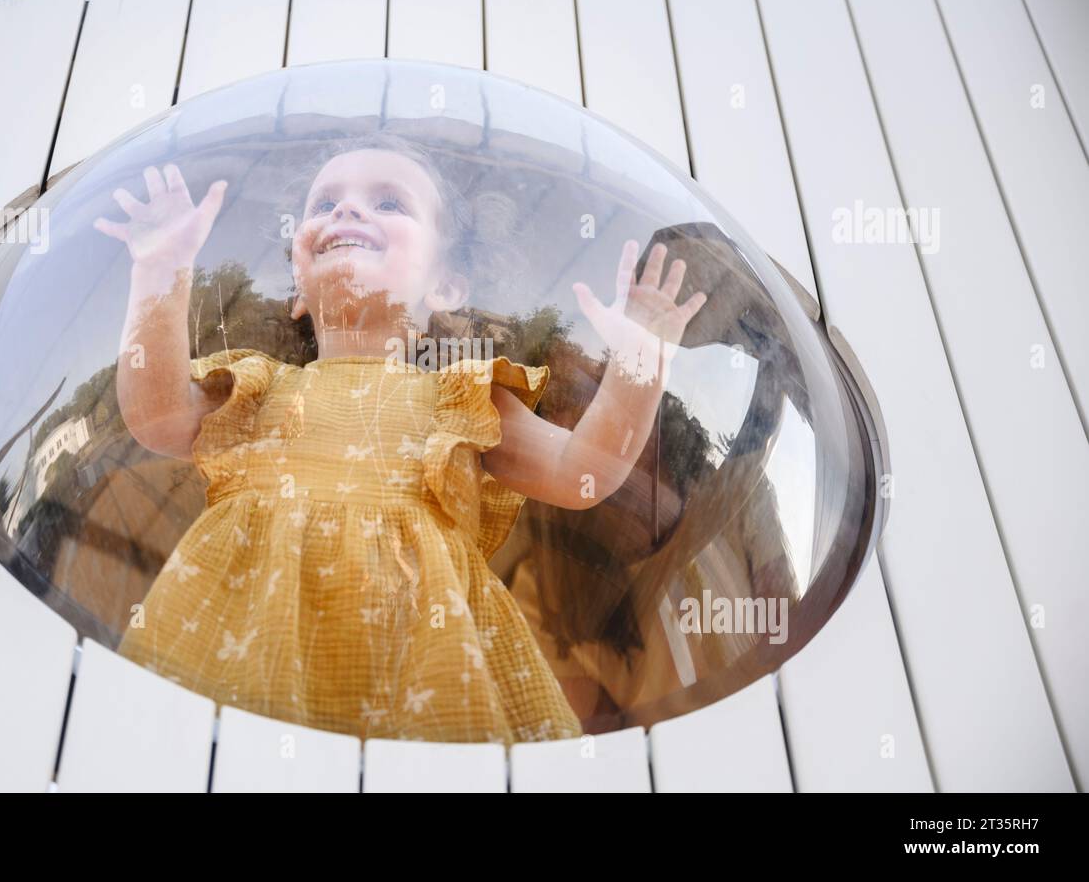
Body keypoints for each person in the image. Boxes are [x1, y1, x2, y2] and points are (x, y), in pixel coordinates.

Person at [95, 133, 707, 743]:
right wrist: (159, 270)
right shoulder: (259, 391)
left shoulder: (461, 400)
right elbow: (158, 417)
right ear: (297, 289)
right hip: (241, 660)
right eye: (324, 204)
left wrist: (640, 362)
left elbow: (583, 475)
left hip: (420, 672)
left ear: (444, 287)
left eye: (389, 203)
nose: (346, 210)